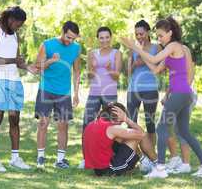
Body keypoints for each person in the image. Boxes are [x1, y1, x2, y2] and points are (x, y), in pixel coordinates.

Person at [121, 16, 202, 178]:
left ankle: (160, 168)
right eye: (158, 36)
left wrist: (136, 48)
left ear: (170, 33)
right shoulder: (176, 50)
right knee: (184, 131)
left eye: (161, 35)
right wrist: (141, 54)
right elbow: (156, 68)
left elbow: (155, 58)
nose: (159, 38)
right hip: (184, 93)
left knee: (161, 128)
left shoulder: (173, 46)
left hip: (179, 93)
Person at [0, 6, 36, 172]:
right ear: (9, 18)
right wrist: (14, 60)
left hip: (15, 81)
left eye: (20, 25)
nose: (18, 27)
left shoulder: (15, 36)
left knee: (15, 119)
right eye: (17, 24)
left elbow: (18, 61)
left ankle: (15, 158)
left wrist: (28, 67)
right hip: (0, 81)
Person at [34, 21, 81, 169]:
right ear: (62, 31)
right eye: (68, 37)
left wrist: (76, 93)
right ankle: (41, 157)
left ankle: (60, 159)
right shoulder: (47, 44)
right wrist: (51, 61)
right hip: (46, 89)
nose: (70, 41)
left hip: (64, 92)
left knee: (63, 125)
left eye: (73, 38)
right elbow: (37, 67)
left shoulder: (76, 48)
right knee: (43, 123)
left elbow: (77, 71)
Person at [78, 27, 122, 169]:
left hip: (110, 93)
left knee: (112, 125)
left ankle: (113, 159)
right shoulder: (92, 53)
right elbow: (89, 76)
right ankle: (86, 159)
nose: (104, 40)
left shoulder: (117, 53)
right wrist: (93, 68)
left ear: (111, 37)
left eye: (107, 37)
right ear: (98, 39)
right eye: (101, 38)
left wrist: (109, 69)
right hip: (94, 93)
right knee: (87, 124)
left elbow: (117, 76)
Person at [83, 102, 157, 176]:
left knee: (124, 138)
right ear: (116, 117)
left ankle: (145, 162)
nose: (121, 124)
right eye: (121, 122)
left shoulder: (91, 125)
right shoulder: (111, 128)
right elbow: (141, 134)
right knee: (136, 137)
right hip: (111, 170)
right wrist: (126, 119)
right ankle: (158, 164)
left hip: (98, 170)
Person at [127, 20, 161, 147]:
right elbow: (129, 71)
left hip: (150, 89)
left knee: (150, 123)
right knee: (131, 122)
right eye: (136, 34)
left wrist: (145, 58)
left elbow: (159, 69)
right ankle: (133, 153)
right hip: (133, 89)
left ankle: (152, 156)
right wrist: (135, 63)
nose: (139, 37)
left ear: (148, 33)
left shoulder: (156, 48)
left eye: (141, 34)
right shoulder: (133, 48)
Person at [163, 45, 197, 174]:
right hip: (177, 93)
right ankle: (178, 160)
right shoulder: (175, 59)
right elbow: (173, 81)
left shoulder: (185, 57)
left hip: (185, 94)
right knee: (175, 128)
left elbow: (188, 79)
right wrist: (167, 95)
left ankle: (185, 163)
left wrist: (178, 95)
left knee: (180, 129)